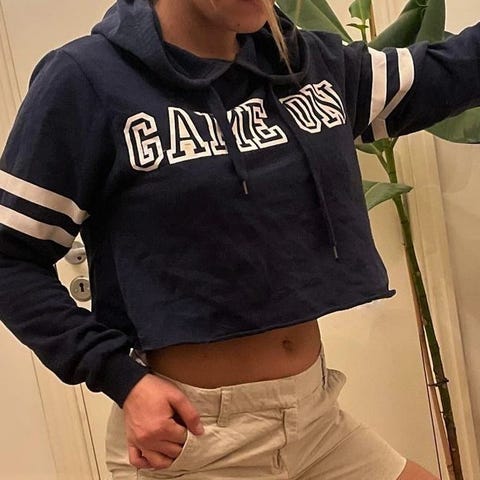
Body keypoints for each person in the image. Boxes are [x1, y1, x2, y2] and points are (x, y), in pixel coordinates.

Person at [0, 0, 478, 478]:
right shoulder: (86, 80)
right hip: (197, 439)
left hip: (316, 421)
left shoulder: (299, 64)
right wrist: (121, 378)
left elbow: (449, 69)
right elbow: (9, 258)